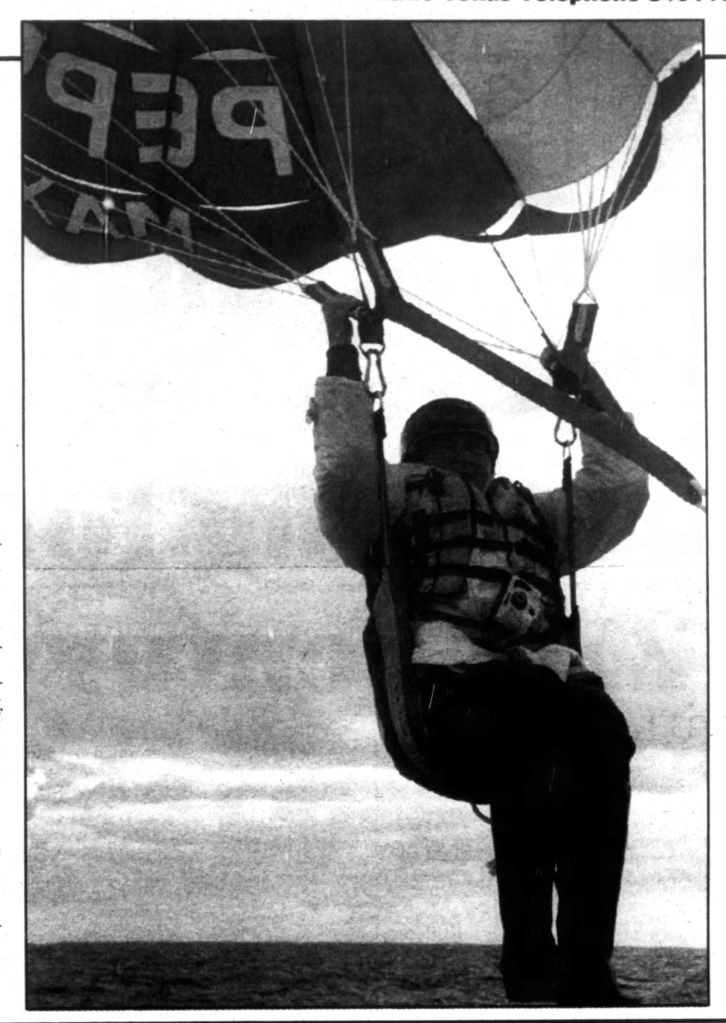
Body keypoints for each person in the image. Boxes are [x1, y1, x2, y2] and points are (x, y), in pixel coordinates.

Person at [309, 294, 649, 1007]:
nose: (464, 454)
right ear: (416, 456)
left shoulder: (532, 514)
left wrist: (585, 389)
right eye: (446, 445)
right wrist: (341, 349)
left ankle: (584, 967)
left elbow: (621, 486)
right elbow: (343, 473)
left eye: (475, 445)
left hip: (543, 692)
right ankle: (529, 955)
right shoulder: (391, 501)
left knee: (602, 734)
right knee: (536, 716)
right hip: (445, 699)